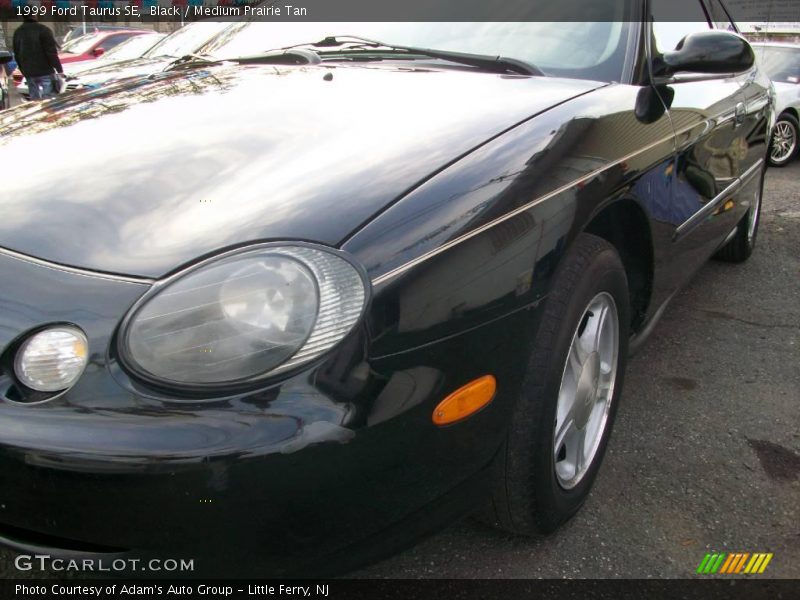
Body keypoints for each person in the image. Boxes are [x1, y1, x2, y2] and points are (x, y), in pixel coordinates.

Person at [12, 15, 64, 100]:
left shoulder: (18, 32)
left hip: (29, 72)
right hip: (45, 70)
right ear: (35, 16)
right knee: (48, 100)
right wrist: (59, 69)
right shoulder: (44, 30)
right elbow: (51, 52)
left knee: (34, 100)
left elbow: (17, 53)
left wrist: (23, 70)